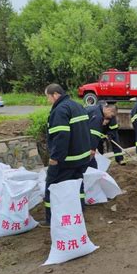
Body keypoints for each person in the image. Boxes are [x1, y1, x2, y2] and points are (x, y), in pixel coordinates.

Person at [42, 83, 91, 226]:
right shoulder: (78, 106)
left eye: (48, 97)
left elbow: (61, 136)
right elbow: (86, 130)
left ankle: (50, 220)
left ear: (55, 95)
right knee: (78, 185)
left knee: (51, 186)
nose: (48, 100)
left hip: (67, 160)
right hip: (81, 157)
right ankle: (79, 212)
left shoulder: (60, 110)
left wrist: (55, 158)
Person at [86, 103, 126, 168]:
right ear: (108, 110)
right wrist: (92, 149)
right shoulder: (98, 116)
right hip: (95, 134)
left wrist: (110, 134)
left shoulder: (108, 116)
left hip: (105, 132)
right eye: (111, 115)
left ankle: (119, 158)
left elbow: (114, 129)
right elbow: (94, 133)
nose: (111, 117)